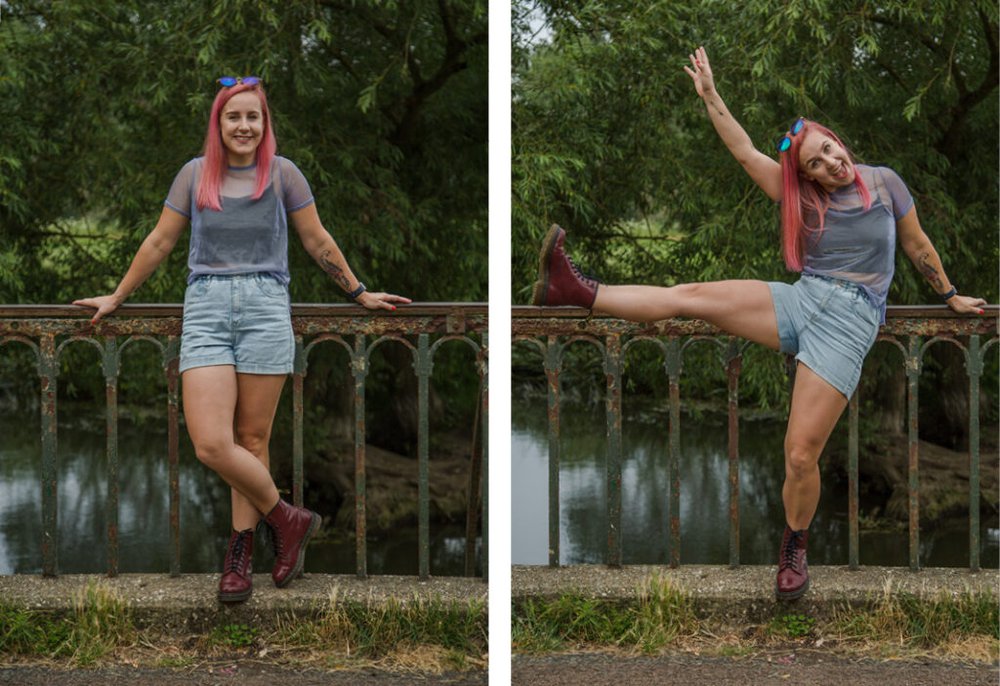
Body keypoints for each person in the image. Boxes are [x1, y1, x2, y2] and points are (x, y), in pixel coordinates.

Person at [531, 47, 987, 600]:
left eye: (827, 152)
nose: (828, 165)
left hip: (849, 324)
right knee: (689, 296)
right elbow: (745, 151)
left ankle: (794, 544)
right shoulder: (801, 196)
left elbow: (917, 245)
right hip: (800, 301)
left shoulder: (885, 184)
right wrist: (710, 95)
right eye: (815, 165)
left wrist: (951, 294)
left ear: (836, 139)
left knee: (799, 455)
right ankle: (577, 290)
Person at [74, 76, 411, 602]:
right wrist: (116, 296)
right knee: (212, 442)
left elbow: (316, 239)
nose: (244, 126)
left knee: (252, 441)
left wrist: (359, 293)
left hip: (265, 308)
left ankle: (240, 553)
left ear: (265, 123)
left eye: (253, 117)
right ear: (219, 123)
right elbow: (161, 240)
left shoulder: (283, 174)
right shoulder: (193, 175)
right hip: (206, 307)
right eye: (234, 117)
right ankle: (288, 519)